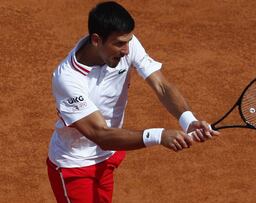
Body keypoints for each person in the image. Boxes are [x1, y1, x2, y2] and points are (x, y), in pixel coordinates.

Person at [46, 1, 220, 203]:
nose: (127, 50)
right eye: (119, 43)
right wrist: (159, 135)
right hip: (76, 167)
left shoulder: (126, 45)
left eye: (128, 41)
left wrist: (188, 121)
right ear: (96, 40)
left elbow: (161, 86)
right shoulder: (67, 79)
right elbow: (100, 134)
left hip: (109, 155)